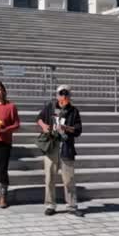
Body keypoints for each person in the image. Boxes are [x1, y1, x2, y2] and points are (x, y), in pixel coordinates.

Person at [36, 85, 84, 217]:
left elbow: (78, 130)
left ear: (69, 96)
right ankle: (50, 205)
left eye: (66, 94)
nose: (63, 96)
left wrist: (65, 128)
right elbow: (39, 118)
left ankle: (72, 206)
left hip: (66, 147)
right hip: (51, 147)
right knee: (49, 178)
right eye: (61, 94)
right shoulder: (50, 107)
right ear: (57, 95)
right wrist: (44, 126)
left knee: (69, 179)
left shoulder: (73, 111)